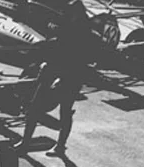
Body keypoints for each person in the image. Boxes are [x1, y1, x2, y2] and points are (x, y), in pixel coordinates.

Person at [20, 11, 92, 155]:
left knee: (65, 112)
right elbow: (51, 47)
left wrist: (62, 78)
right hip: (52, 73)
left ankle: (60, 146)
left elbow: (80, 64)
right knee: (33, 109)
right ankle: (25, 142)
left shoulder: (82, 41)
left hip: (70, 78)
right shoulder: (62, 31)